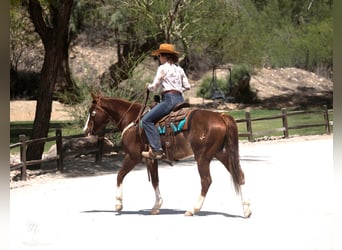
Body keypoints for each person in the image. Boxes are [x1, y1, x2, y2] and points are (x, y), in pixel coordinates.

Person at [141, 43, 191, 159]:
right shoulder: (180, 69)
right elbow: (188, 86)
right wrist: (177, 89)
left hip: (169, 100)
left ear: (164, 56)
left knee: (146, 120)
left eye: (159, 56)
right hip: (180, 99)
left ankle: (156, 149)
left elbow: (155, 87)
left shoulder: (162, 68)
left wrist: (148, 86)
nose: (159, 58)